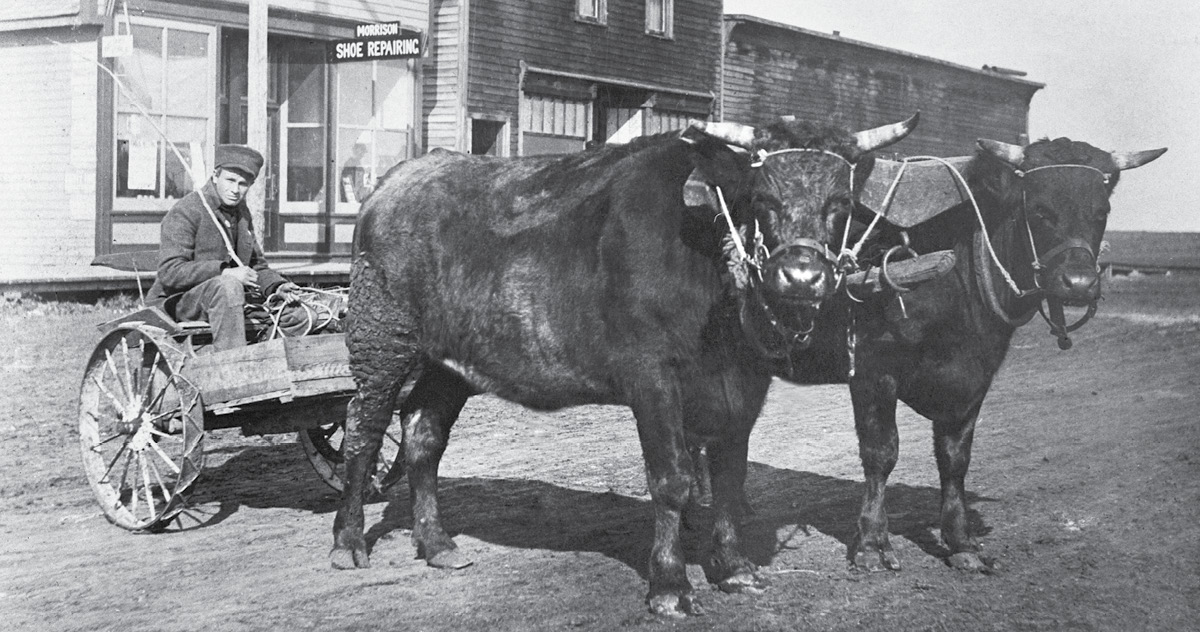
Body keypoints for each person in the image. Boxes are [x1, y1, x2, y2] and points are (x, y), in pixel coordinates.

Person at [147, 144, 300, 351]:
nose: (235, 190)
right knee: (228, 286)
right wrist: (225, 272)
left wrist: (277, 286)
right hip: (180, 302)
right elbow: (170, 273)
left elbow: (256, 265)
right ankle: (233, 370)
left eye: (243, 184)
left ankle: (264, 366)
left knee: (299, 315)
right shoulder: (187, 210)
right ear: (215, 176)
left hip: (230, 299)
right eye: (230, 180)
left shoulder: (241, 213)